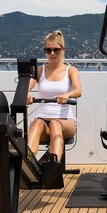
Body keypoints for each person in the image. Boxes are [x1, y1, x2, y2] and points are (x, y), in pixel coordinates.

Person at [27, 29, 82, 188]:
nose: (52, 53)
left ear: (62, 50)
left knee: (55, 124)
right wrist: (27, 96)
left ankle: (53, 169)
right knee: (36, 123)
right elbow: (25, 89)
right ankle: (28, 164)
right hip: (44, 119)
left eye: (56, 49)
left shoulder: (70, 70)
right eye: (48, 50)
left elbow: (78, 90)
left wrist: (67, 94)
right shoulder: (40, 71)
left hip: (65, 122)